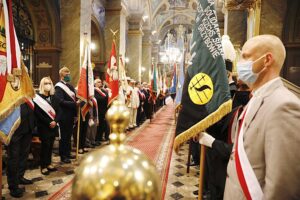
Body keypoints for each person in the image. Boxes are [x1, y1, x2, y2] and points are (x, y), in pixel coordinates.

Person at [224, 35, 300, 199]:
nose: (239, 63)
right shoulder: (257, 97)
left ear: (266, 60)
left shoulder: (284, 106)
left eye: (245, 56)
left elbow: (282, 187)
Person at [6, 100, 35, 198]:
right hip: (15, 131)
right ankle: (13, 186)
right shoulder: (11, 91)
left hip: (27, 129)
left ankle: (20, 177)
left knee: (24, 156)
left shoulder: (26, 93)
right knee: (13, 158)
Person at [34, 77, 59, 175]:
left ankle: (49, 163)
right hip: (44, 126)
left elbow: (59, 111)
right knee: (45, 146)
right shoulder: (38, 98)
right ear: (42, 85)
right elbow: (38, 113)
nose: (48, 85)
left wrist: (55, 121)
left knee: (50, 146)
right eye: (45, 83)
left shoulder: (54, 97)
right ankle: (43, 166)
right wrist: (49, 122)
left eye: (49, 83)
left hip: (53, 125)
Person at [55, 67, 77, 163]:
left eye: (69, 72)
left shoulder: (71, 87)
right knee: (63, 136)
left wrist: (76, 114)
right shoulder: (58, 87)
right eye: (66, 73)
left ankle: (67, 153)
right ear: (61, 75)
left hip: (71, 115)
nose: (68, 74)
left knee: (68, 135)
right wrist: (74, 104)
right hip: (63, 115)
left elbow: (75, 100)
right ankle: (63, 156)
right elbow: (60, 101)